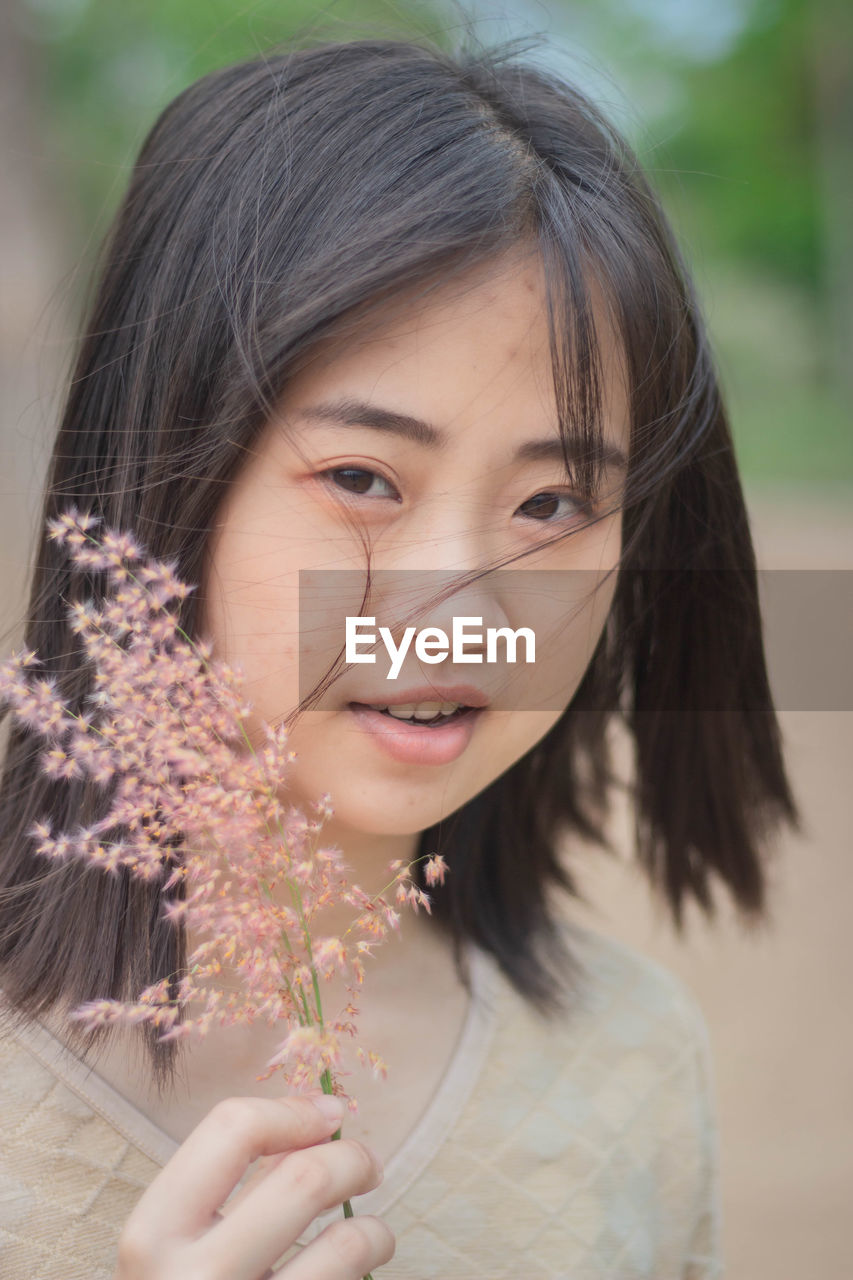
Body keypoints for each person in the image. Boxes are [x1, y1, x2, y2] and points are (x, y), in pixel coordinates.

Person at [0, 32, 798, 1280]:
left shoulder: (623, 1062)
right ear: (160, 480)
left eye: (550, 505)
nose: (452, 609)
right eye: (363, 478)